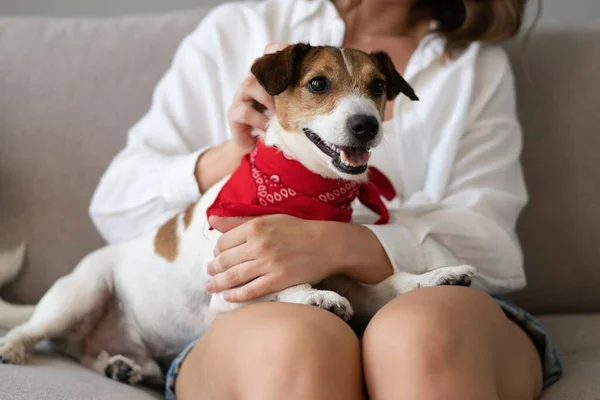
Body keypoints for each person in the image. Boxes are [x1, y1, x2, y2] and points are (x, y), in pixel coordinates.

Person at [89, 0, 562, 399]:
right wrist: (243, 149)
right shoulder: (242, 27)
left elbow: (494, 250)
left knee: (421, 334)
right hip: (263, 315)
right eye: (319, 86)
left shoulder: (470, 66)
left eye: (377, 91)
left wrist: (340, 246)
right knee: (295, 342)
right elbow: (115, 209)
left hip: (430, 305)